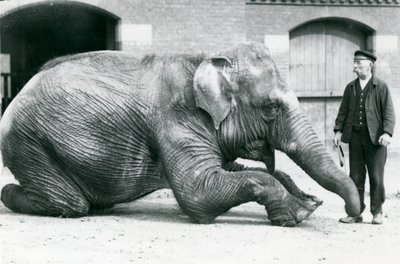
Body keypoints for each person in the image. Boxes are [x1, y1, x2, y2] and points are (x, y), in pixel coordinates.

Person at [333, 50, 395, 225]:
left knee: (376, 177)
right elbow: (343, 112)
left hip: (376, 140)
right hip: (355, 139)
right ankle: (355, 212)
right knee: (356, 177)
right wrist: (338, 131)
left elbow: (389, 113)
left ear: (369, 65)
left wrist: (387, 133)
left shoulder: (380, 86)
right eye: (354, 62)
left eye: (359, 63)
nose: (355, 66)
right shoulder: (350, 88)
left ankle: (377, 212)